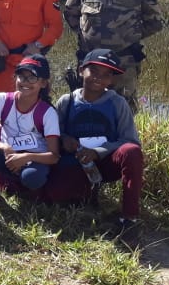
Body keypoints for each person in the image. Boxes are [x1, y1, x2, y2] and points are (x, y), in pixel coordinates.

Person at [54, 49, 145, 244]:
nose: (98, 78)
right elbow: (53, 134)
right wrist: (64, 139)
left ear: (111, 80)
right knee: (61, 197)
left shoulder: (117, 103)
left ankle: (129, 218)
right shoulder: (66, 101)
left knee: (132, 152)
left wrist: (97, 152)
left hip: (106, 163)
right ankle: (86, 194)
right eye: (93, 71)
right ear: (81, 70)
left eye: (106, 75)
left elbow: (130, 140)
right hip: (76, 163)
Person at [64, 0, 162, 111]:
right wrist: (85, 35)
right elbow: (70, 13)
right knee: (85, 107)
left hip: (123, 62)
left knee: (123, 108)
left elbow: (155, 23)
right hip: (90, 61)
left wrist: (129, 36)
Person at [0, 55, 61, 202]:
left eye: (32, 78)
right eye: (21, 76)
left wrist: (26, 157)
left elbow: (54, 156)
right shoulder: (2, 100)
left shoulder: (47, 112)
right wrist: (4, 147)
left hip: (34, 160)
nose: (25, 82)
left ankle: (30, 192)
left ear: (43, 83)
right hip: (7, 156)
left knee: (32, 177)